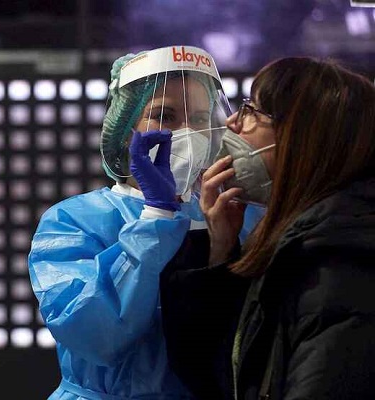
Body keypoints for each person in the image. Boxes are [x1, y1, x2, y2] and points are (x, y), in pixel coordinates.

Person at [28, 45, 243, 399]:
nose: (189, 133)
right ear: (126, 129)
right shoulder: (73, 222)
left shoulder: (230, 215)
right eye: (165, 115)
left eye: (201, 119)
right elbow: (96, 337)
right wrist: (156, 215)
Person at [160, 56, 375, 400]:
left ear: (302, 140)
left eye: (252, 112)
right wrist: (221, 250)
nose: (231, 123)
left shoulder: (339, 268)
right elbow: (221, 376)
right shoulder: (299, 241)